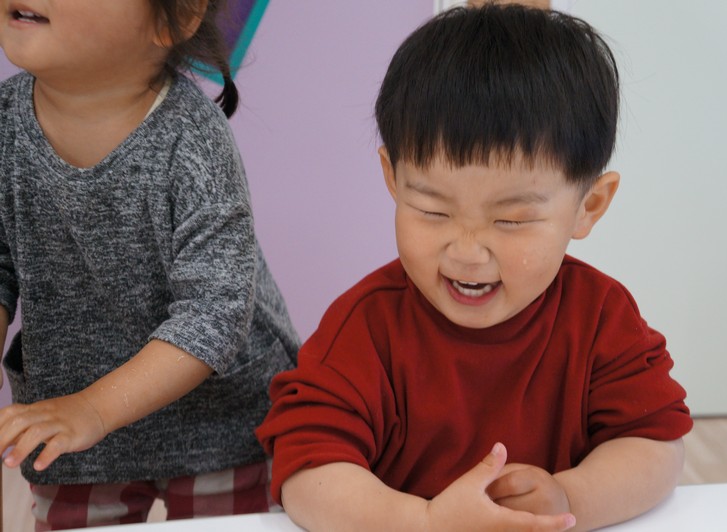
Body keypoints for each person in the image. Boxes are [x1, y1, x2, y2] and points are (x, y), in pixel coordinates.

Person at [258, 4, 692, 531]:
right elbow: (306, 471)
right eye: (432, 211)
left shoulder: (601, 316)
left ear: (589, 205)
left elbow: (656, 443)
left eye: (511, 220)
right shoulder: (366, 327)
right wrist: (424, 523)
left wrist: (572, 496)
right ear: (393, 178)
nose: (467, 251)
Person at [0, 0, 300, 528]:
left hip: (218, 423)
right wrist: (81, 411)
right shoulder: (6, 125)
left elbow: (214, 313)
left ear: (174, 17)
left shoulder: (192, 137)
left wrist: (94, 409)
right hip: (72, 427)